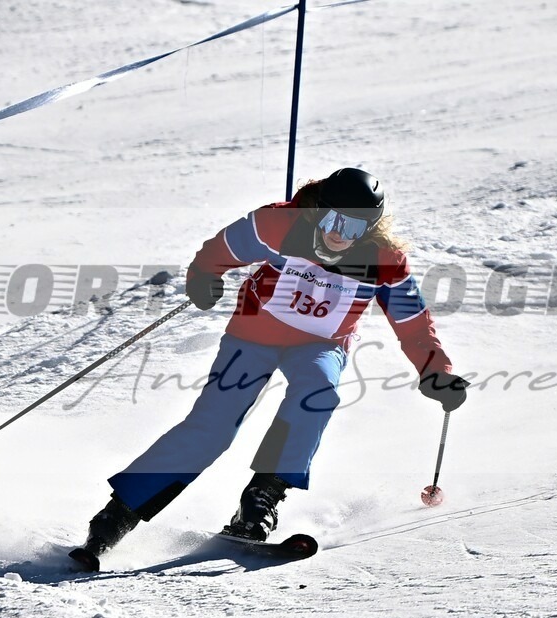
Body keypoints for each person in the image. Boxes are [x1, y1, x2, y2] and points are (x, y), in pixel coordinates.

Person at [69, 168, 469, 571]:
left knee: (317, 392)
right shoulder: (276, 226)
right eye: (332, 219)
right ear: (318, 212)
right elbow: (218, 250)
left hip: (320, 345)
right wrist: (202, 277)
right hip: (252, 337)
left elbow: (414, 324)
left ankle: (262, 498)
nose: (340, 234)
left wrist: (437, 371)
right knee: (212, 427)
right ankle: (117, 516)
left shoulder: (386, 262)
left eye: (356, 226)